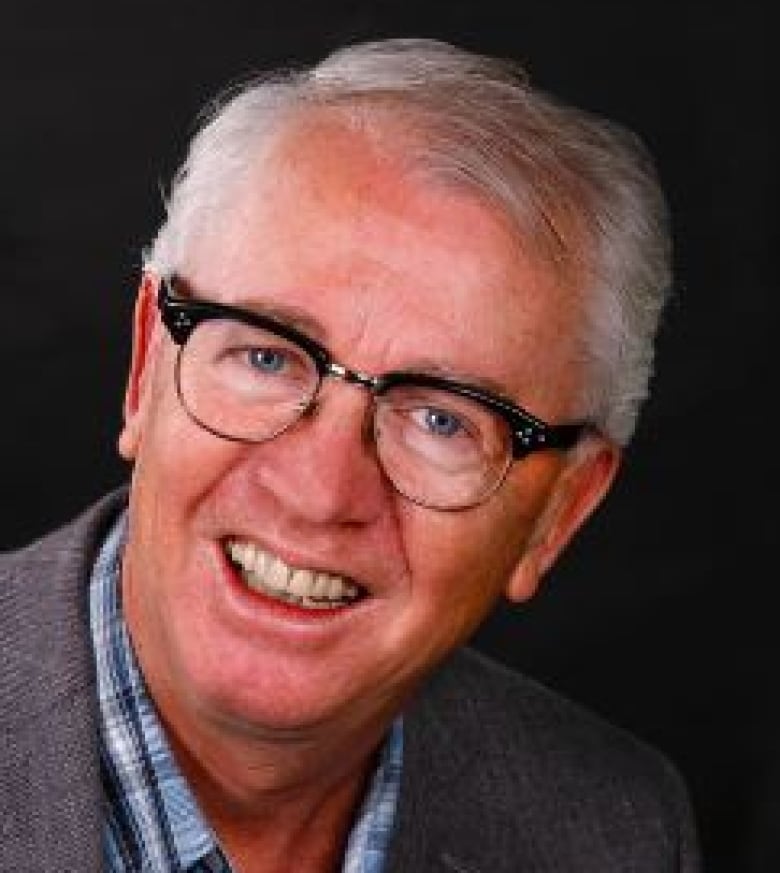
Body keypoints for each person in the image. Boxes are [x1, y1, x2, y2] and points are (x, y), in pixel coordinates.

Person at [0, 37, 701, 872]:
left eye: (442, 419)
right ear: (148, 362)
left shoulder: (615, 832)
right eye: (266, 356)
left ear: (560, 511)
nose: (319, 491)